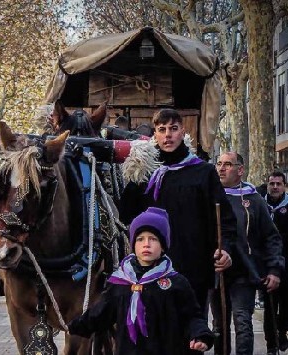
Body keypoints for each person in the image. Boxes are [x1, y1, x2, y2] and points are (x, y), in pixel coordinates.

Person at [119, 108, 236, 315]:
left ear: (183, 131)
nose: (168, 135)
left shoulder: (203, 172)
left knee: (190, 336)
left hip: (194, 268)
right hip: (151, 268)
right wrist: (133, 171)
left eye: (173, 129)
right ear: (155, 133)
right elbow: (125, 216)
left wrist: (225, 248)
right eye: (162, 129)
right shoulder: (144, 171)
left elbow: (225, 218)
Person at [68, 207, 214, 354]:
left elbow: (192, 316)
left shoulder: (176, 283)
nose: (146, 244)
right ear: (133, 245)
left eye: (153, 239)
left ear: (163, 246)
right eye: (140, 239)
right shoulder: (121, 282)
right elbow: (101, 312)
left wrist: (200, 336)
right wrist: (75, 326)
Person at [210, 152, 284, 355]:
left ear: (240, 170)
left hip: (245, 271)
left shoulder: (254, 200)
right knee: (218, 326)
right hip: (217, 273)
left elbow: (271, 237)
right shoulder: (209, 197)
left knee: (242, 323)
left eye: (227, 164)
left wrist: (274, 269)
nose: (221, 168)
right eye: (219, 164)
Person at [263, 171, 288, 353]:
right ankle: (271, 343)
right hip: (267, 264)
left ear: (284, 186)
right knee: (269, 306)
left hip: (286, 264)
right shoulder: (260, 205)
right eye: (272, 183)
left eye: (278, 184)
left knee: (286, 306)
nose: (275, 187)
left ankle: (282, 333)